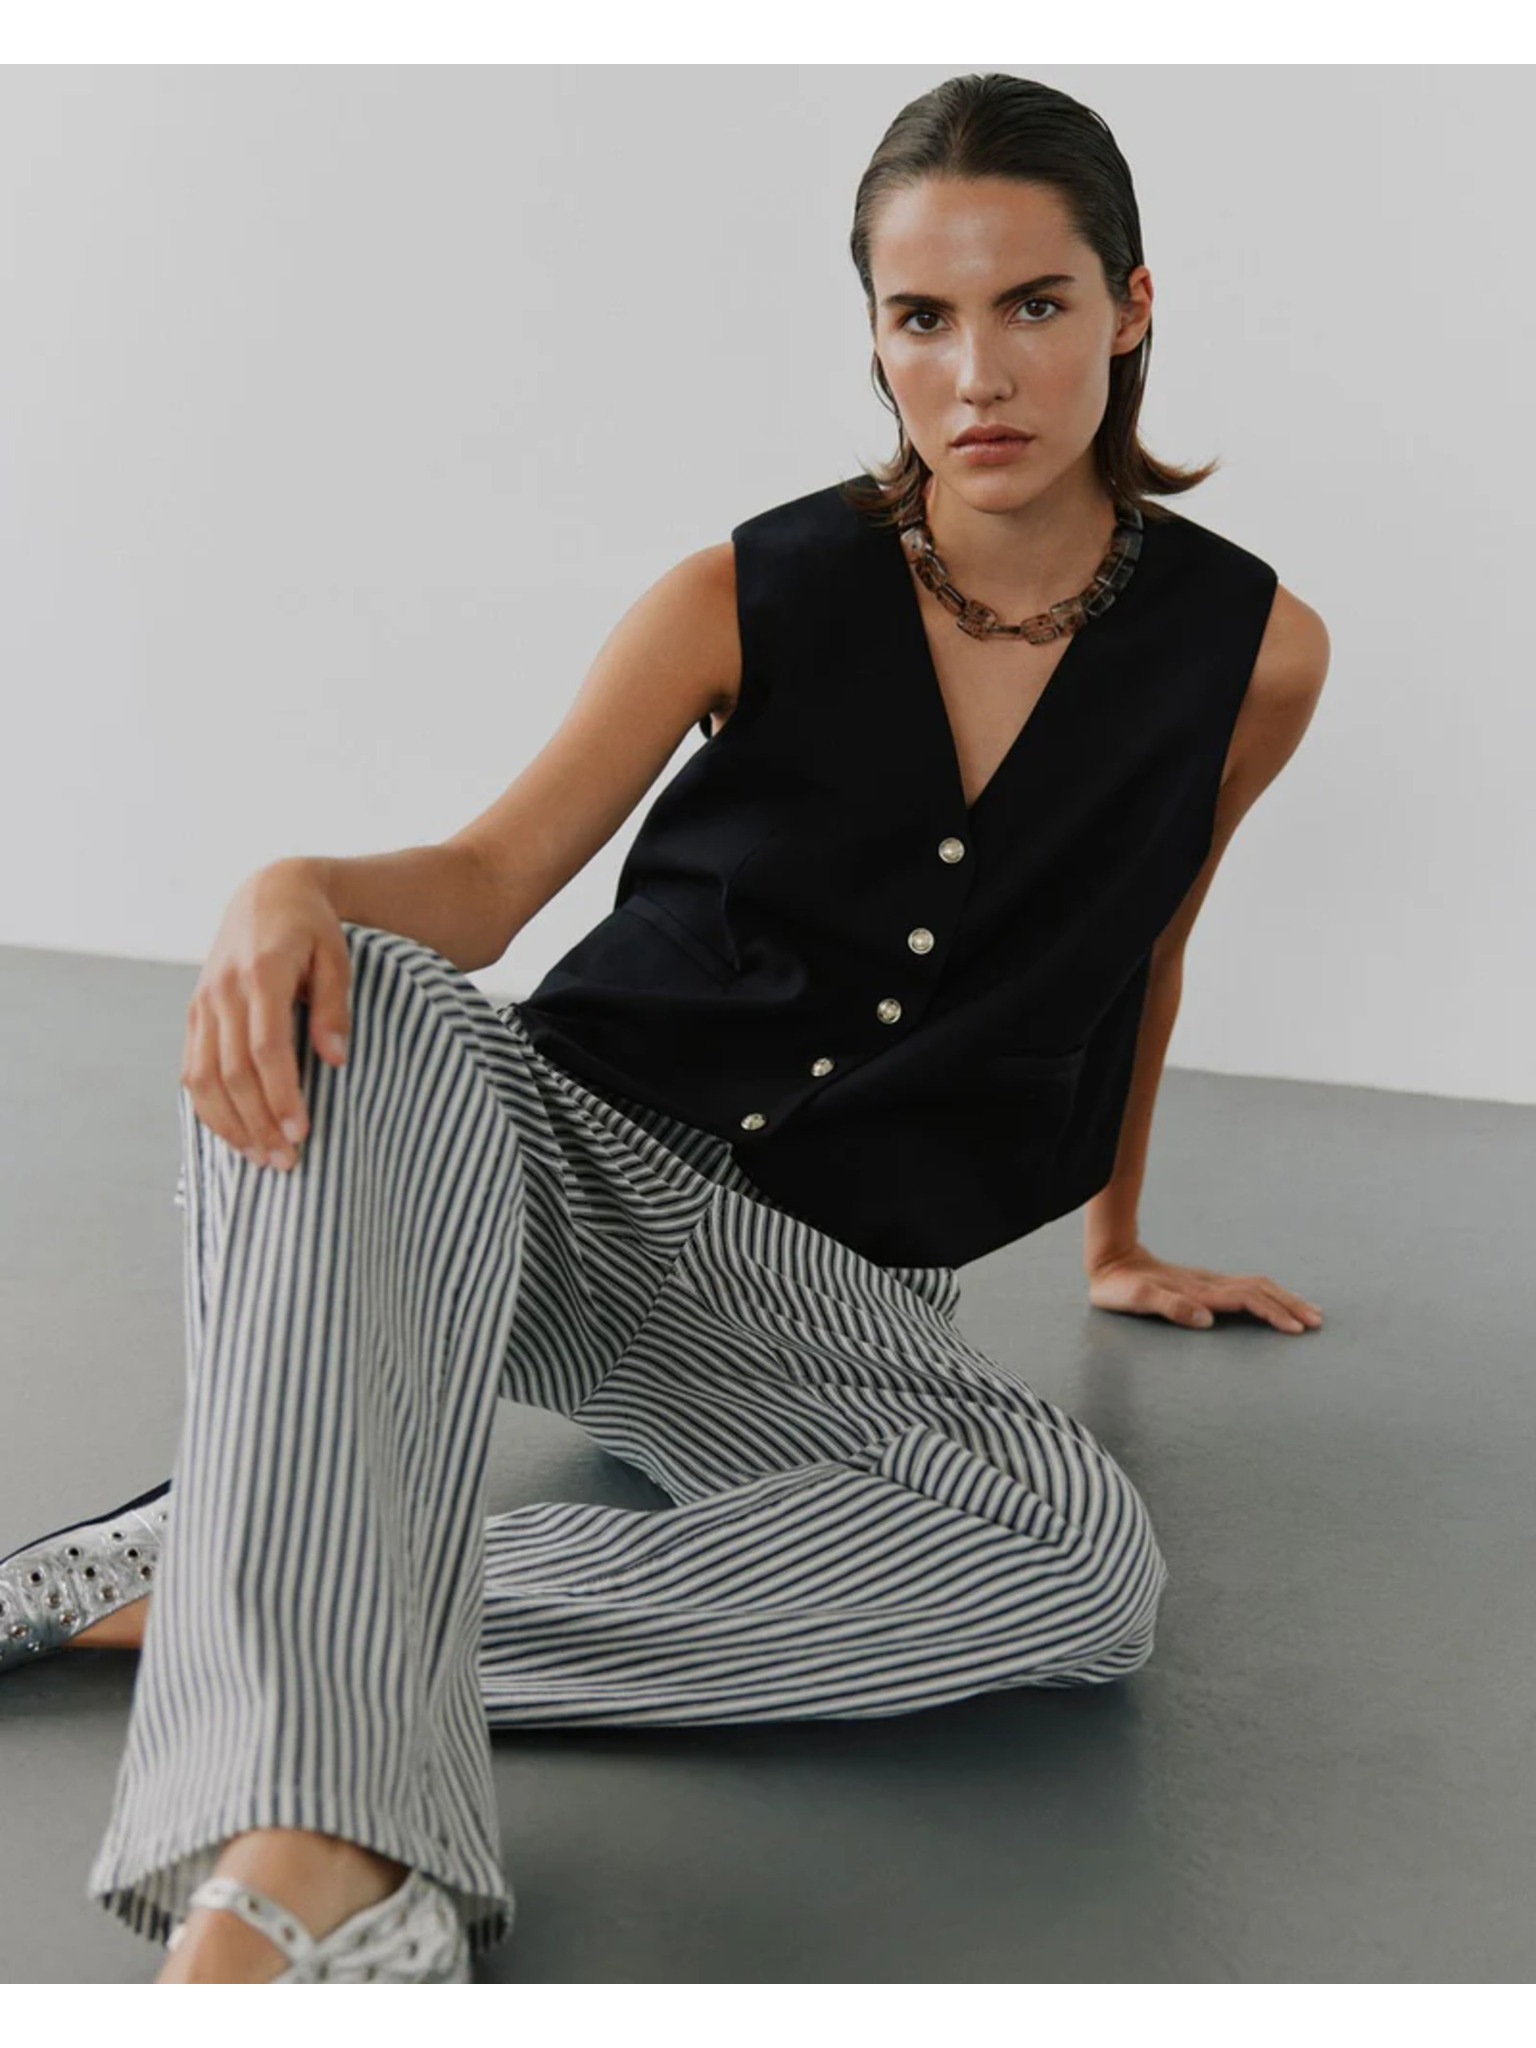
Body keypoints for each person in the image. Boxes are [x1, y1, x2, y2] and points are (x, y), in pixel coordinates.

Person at [0, 71, 1329, 1983]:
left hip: (816, 1291)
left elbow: (1151, 941)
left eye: (1034, 304)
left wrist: (1115, 1243)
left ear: (1130, 306)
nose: (977, 374)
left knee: (1079, 1567)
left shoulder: (1255, 654)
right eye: (922, 317)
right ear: (874, 337)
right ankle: (315, 1866)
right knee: (367, 987)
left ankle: (207, 1584)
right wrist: (290, 885)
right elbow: (483, 881)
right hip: (548, 1170)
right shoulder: (744, 590)